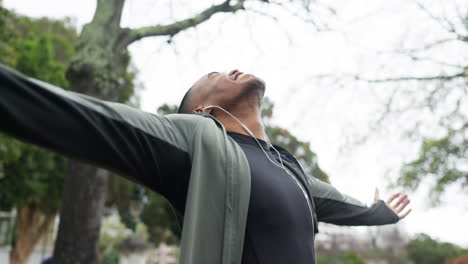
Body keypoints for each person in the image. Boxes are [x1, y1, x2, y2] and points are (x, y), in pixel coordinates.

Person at [0, 65, 411, 264]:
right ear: (201, 108)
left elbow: (342, 204)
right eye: (214, 75)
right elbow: (84, 117)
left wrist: (382, 213)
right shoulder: (195, 139)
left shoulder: (289, 167)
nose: (231, 69)